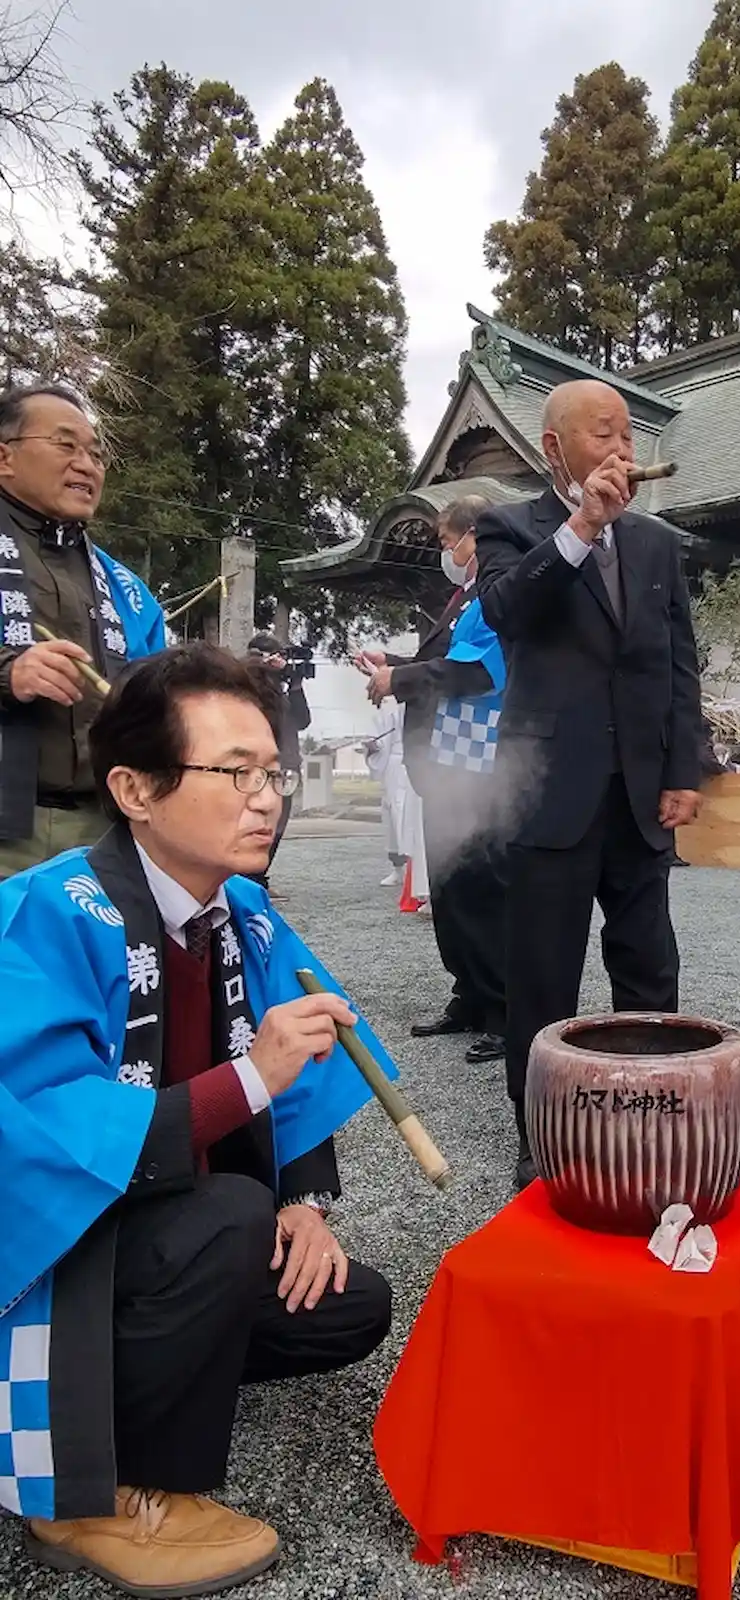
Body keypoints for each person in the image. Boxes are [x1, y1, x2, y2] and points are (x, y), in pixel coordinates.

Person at [1, 644, 395, 1597]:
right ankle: (91, 1493)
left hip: (170, 1220)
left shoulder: (242, 910)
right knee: (225, 1219)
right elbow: (51, 1129)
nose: (267, 799)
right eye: (235, 773)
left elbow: (306, 1051)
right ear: (135, 789)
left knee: (345, 1303)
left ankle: (136, 1377)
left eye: (273, 773)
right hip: (55, 1252)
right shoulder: (43, 912)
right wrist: (249, 1081)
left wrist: (305, 1200)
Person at [474, 379, 704, 1189]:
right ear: (554, 449)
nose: (621, 452)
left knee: (649, 967)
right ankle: (543, 1137)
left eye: (629, 438)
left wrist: (685, 770)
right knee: (543, 975)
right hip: (549, 790)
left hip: (640, 793)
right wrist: (580, 526)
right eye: (603, 435)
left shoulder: (654, 545)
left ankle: (658, 1111)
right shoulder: (510, 526)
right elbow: (507, 611)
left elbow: (678, 665)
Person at [357, 497, 507, 1066]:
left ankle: (503, 1008)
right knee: (448, 887)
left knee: (480, 890)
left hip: (479, 761)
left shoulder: (496, 593)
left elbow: (473, 672)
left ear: (474, 535)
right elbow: (440, 659)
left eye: (448, 541)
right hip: (445, 761)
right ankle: (468, 992)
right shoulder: (464, 596)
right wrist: (393, 661)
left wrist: (399, 676)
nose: (446, 552)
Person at [0, 382, 165, 878]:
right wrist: (8, 675)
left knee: (102, 956)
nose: (86, 464)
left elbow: (157, 687)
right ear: (4, 458)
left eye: (95, 454)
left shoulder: (125, 587)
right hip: (8, 832)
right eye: (65, 445)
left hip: (102, 831)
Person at [245, 632, 312, 893]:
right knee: (257, 822)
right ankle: (250, 879)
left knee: (278, 824)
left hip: (288, 766)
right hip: (261, 767)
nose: (281, 662)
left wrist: (296, 684)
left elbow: (303, 720)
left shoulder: (281, 690)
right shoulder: (248, 686)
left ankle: (260, 876)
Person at [365, 702, 424, 890]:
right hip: (392, 766)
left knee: (410, 821)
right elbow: (380, 736)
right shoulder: (389, 705)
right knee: (391, 819)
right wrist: (374, 746)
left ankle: (417, 876)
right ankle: (398, 869)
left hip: (411, 762)